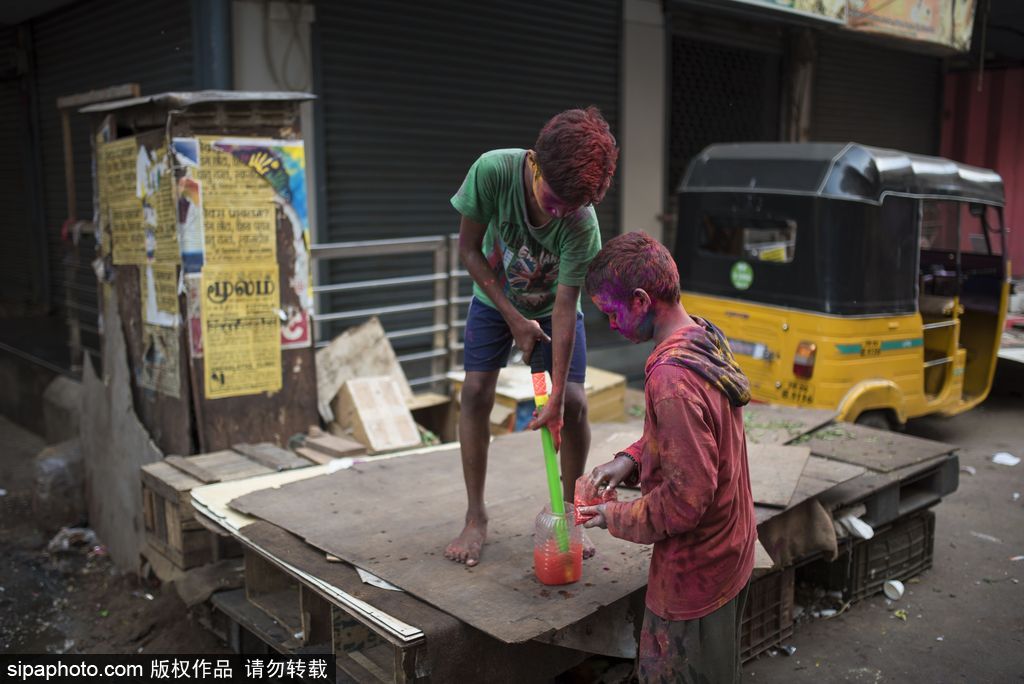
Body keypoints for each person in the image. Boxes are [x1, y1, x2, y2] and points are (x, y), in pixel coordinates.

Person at [577, 231, 756, 683]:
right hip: (731, 549)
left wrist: (612, 516)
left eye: (612, 313)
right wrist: (631, 459)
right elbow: (697, 437)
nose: (610, 325)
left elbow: (684, 502)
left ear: (640, 301)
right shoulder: (702, 336)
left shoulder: (671, 379)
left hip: (696, 575)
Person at [444, 107, 618, 567]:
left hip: (552, 309)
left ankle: (567, 511)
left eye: (570, 207)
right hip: (494, 299)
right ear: (535, 162)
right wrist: (513, 318)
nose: (559, 213)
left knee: (574, 402)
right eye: (553, 199)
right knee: (475, 392)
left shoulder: (582, 222)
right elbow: (468, 249)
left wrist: (555, 396)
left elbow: (565, 304)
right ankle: (475, 515)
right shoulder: (493, 172)